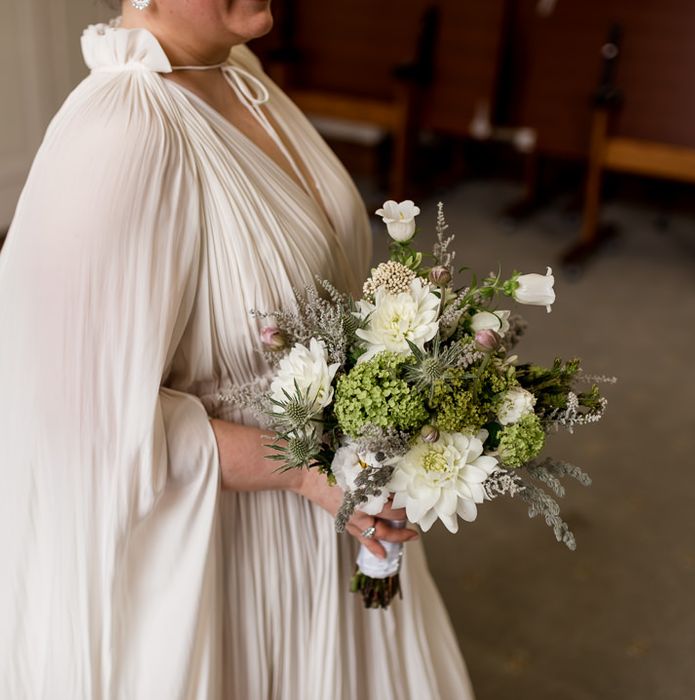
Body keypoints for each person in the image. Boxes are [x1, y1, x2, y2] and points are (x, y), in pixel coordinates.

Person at [0, 1, 475, 698]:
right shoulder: (121, 132)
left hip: (335, 507)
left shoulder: (241, 72)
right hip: (236, 548)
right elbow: (74, 421)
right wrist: (304, 472)